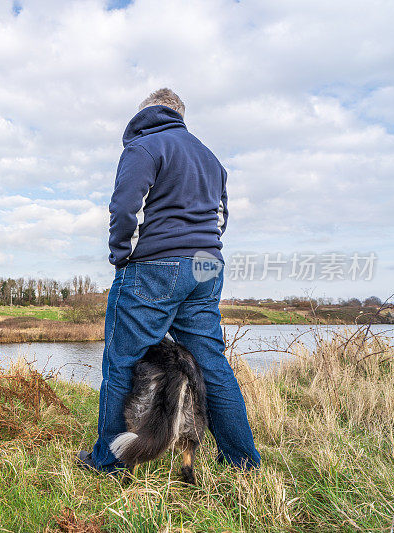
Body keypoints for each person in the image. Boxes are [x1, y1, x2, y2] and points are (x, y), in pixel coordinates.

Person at [76, 88, 261, 475]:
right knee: (211, 363)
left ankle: (109, 460)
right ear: (179, 114)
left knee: (122, 360)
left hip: (157, 264)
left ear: (145, 113)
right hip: (207, 264)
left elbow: (125, 206)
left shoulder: (144, 147)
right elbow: (220, 218)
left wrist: (121, 256)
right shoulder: (211, 159)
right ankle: (243, 462)